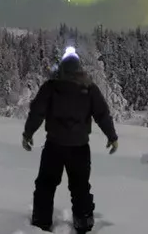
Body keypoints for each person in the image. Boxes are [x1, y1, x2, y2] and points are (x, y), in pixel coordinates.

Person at [22, 47, 118, 233]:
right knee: (80, 187)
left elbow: (37, 112)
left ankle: (41, 223)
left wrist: (28, 134)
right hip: (80, 148)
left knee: (45, 185)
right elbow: (102, 114)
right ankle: (84, 224)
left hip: (54, 146)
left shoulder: (51, 86)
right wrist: (111, 136)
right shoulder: (89, 88)